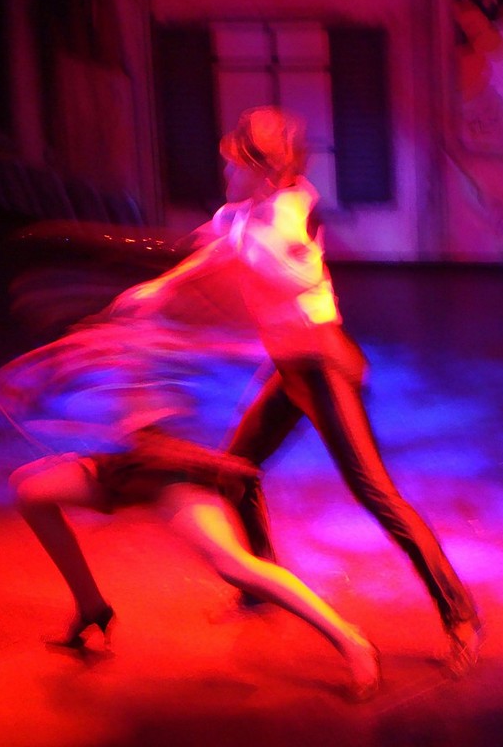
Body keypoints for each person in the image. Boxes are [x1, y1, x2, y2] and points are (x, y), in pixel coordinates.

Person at [0, 253, 380, 703]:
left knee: (234, 564)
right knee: (31, 489)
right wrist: (29, 374)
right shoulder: (124, 325)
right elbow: (79, 352)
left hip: (172, 474)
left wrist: (218, 461)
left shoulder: (155, 334)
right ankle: (91, 606)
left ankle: (350, 640)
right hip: (129, 465)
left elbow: (168, 372)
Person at [202, 106, 483, 677]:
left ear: (263, 171)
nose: (226, 169)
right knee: (235, 470)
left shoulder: (290, 210)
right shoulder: (239, 217)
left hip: (323, 366)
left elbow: (294, 272)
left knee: (376, 496)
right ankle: (261, 582)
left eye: (236, 162)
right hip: (290, 367)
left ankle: (461, 616)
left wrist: (241, 248)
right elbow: (210, 260)